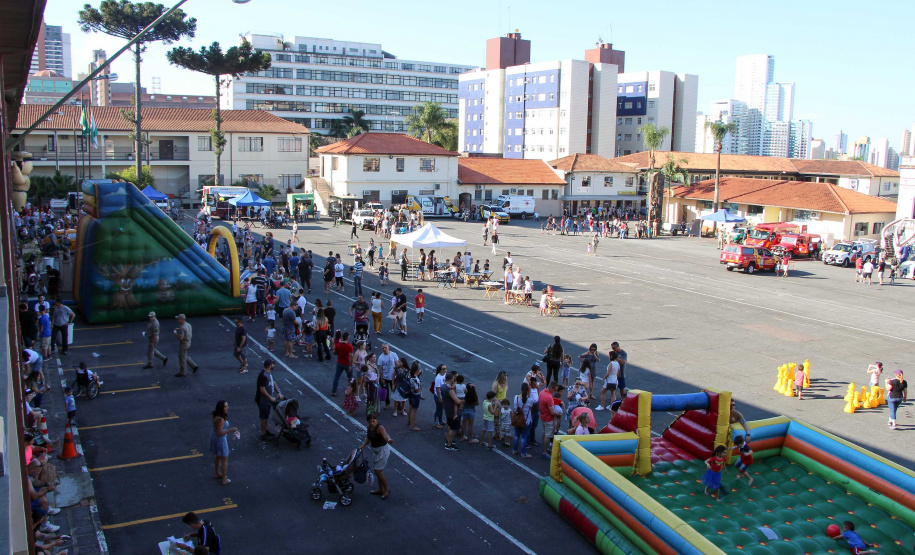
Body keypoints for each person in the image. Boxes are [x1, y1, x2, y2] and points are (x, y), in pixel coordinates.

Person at [360, 414, 393, 500]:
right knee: (378, 471)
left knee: (378, 472)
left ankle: (386, 489)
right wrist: (363, 445)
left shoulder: (380, 427)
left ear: (377, 421)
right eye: (370, 422)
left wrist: (389, 440)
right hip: (376, 451)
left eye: (373, 421)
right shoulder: (369, 427)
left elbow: (385, 435)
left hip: (383, 451)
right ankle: (380, 489)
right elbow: (368, 438)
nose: (372, 423)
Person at [210, 401, 238, 486]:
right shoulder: (221, 419)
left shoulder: (215, 415)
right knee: (224, 459)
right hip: (220, 440)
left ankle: (217, 473)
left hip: (214, 437)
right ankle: (224, 479)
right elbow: (220, 433)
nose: (227, 408)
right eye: (225, 406)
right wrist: (231, 429)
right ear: (221, 408)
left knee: (218, 456)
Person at [255, 359, 284, 440]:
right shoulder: (263, 375)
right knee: (264, 416)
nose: (273, 365)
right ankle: (263, 434)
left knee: (266, 415)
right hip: (263, 400)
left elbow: (274, 382)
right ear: (269, 365)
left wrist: (278, 392)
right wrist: (270, 397)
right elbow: (262, 389)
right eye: (272, 364)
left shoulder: (269, 373)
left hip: (266, 399)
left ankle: (265, 430)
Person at [539, 382, 563, 459]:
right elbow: (552, 411)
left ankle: (544, 448)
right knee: (548, 435)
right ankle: (544, 452)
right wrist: (559, 415)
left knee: (545, 432)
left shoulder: (542, 392)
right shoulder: (549, 398)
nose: (555, 391)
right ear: (552, 388)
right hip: (548, 418)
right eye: (555, 389)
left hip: (543, 416)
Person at [512, 382, 535, 459]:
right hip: (526, 421)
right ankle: (523, 453)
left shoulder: (516, 398)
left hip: (517, 419)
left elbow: (514, 409)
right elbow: (531, 407)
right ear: (528, 390)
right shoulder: (530, 400)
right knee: (524, 437)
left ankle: (514, 450)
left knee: (516, 435)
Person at [442, 371, 464, 451]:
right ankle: (449, 444)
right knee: (454, 428)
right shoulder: (450, 390)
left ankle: (448, 440)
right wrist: (463, 400)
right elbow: (457, 401)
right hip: (452, 410)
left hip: (447, 409)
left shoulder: (443, 386)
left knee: (450, 425)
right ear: (451, 379)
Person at [331, 332, 353, 397]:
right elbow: (351, 357)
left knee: (337, 377)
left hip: (339, 362)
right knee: (350, 378)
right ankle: (351, 391)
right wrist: (351, 366)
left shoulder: (338, 345)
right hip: (347, 364)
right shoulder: (350, 346)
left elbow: (335, 353)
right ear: (348, 338)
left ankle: (334, 391)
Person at [407, 363, 423, 431]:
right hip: (415, 395)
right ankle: (412, 425)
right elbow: (417, 390)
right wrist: (420, 385)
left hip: (411, 394)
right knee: (414, 410)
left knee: (410, 407)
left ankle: (410, 421)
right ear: (416, 370)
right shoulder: (415, 379)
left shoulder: (410, 376)